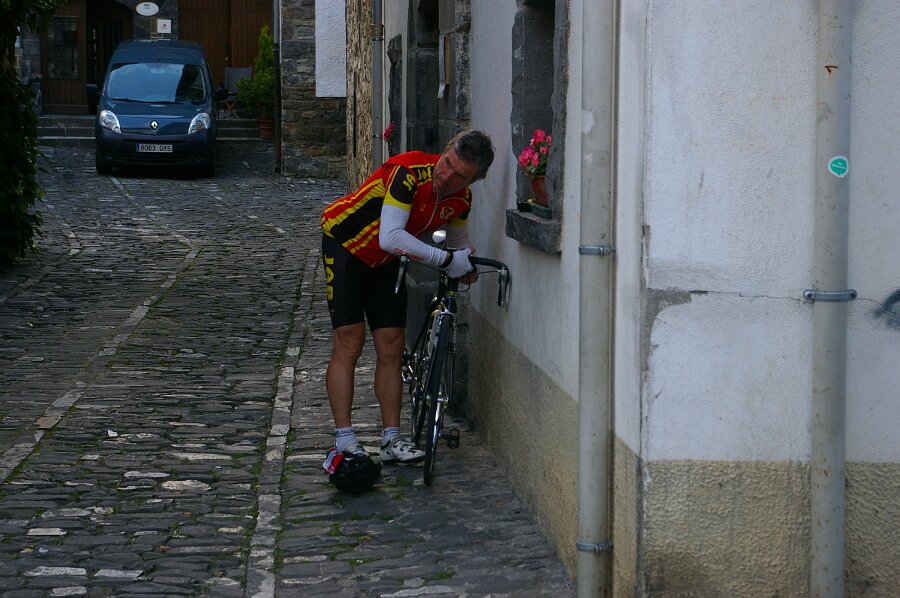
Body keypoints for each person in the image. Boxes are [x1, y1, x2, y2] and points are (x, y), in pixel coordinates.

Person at [320, 129, 495, 487]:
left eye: (460, 175)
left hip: (384, 262)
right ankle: (345, 439)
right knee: (350, 341)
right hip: (346, 244)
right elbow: (391, 236)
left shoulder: (461, 200)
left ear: (473, 180)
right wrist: (448, 261)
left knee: (391, 345)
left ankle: (391, 439)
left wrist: (465, 264)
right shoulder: (409, 173)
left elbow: (458, 244)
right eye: (447, 164)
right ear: (444, 150)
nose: (447, 176)